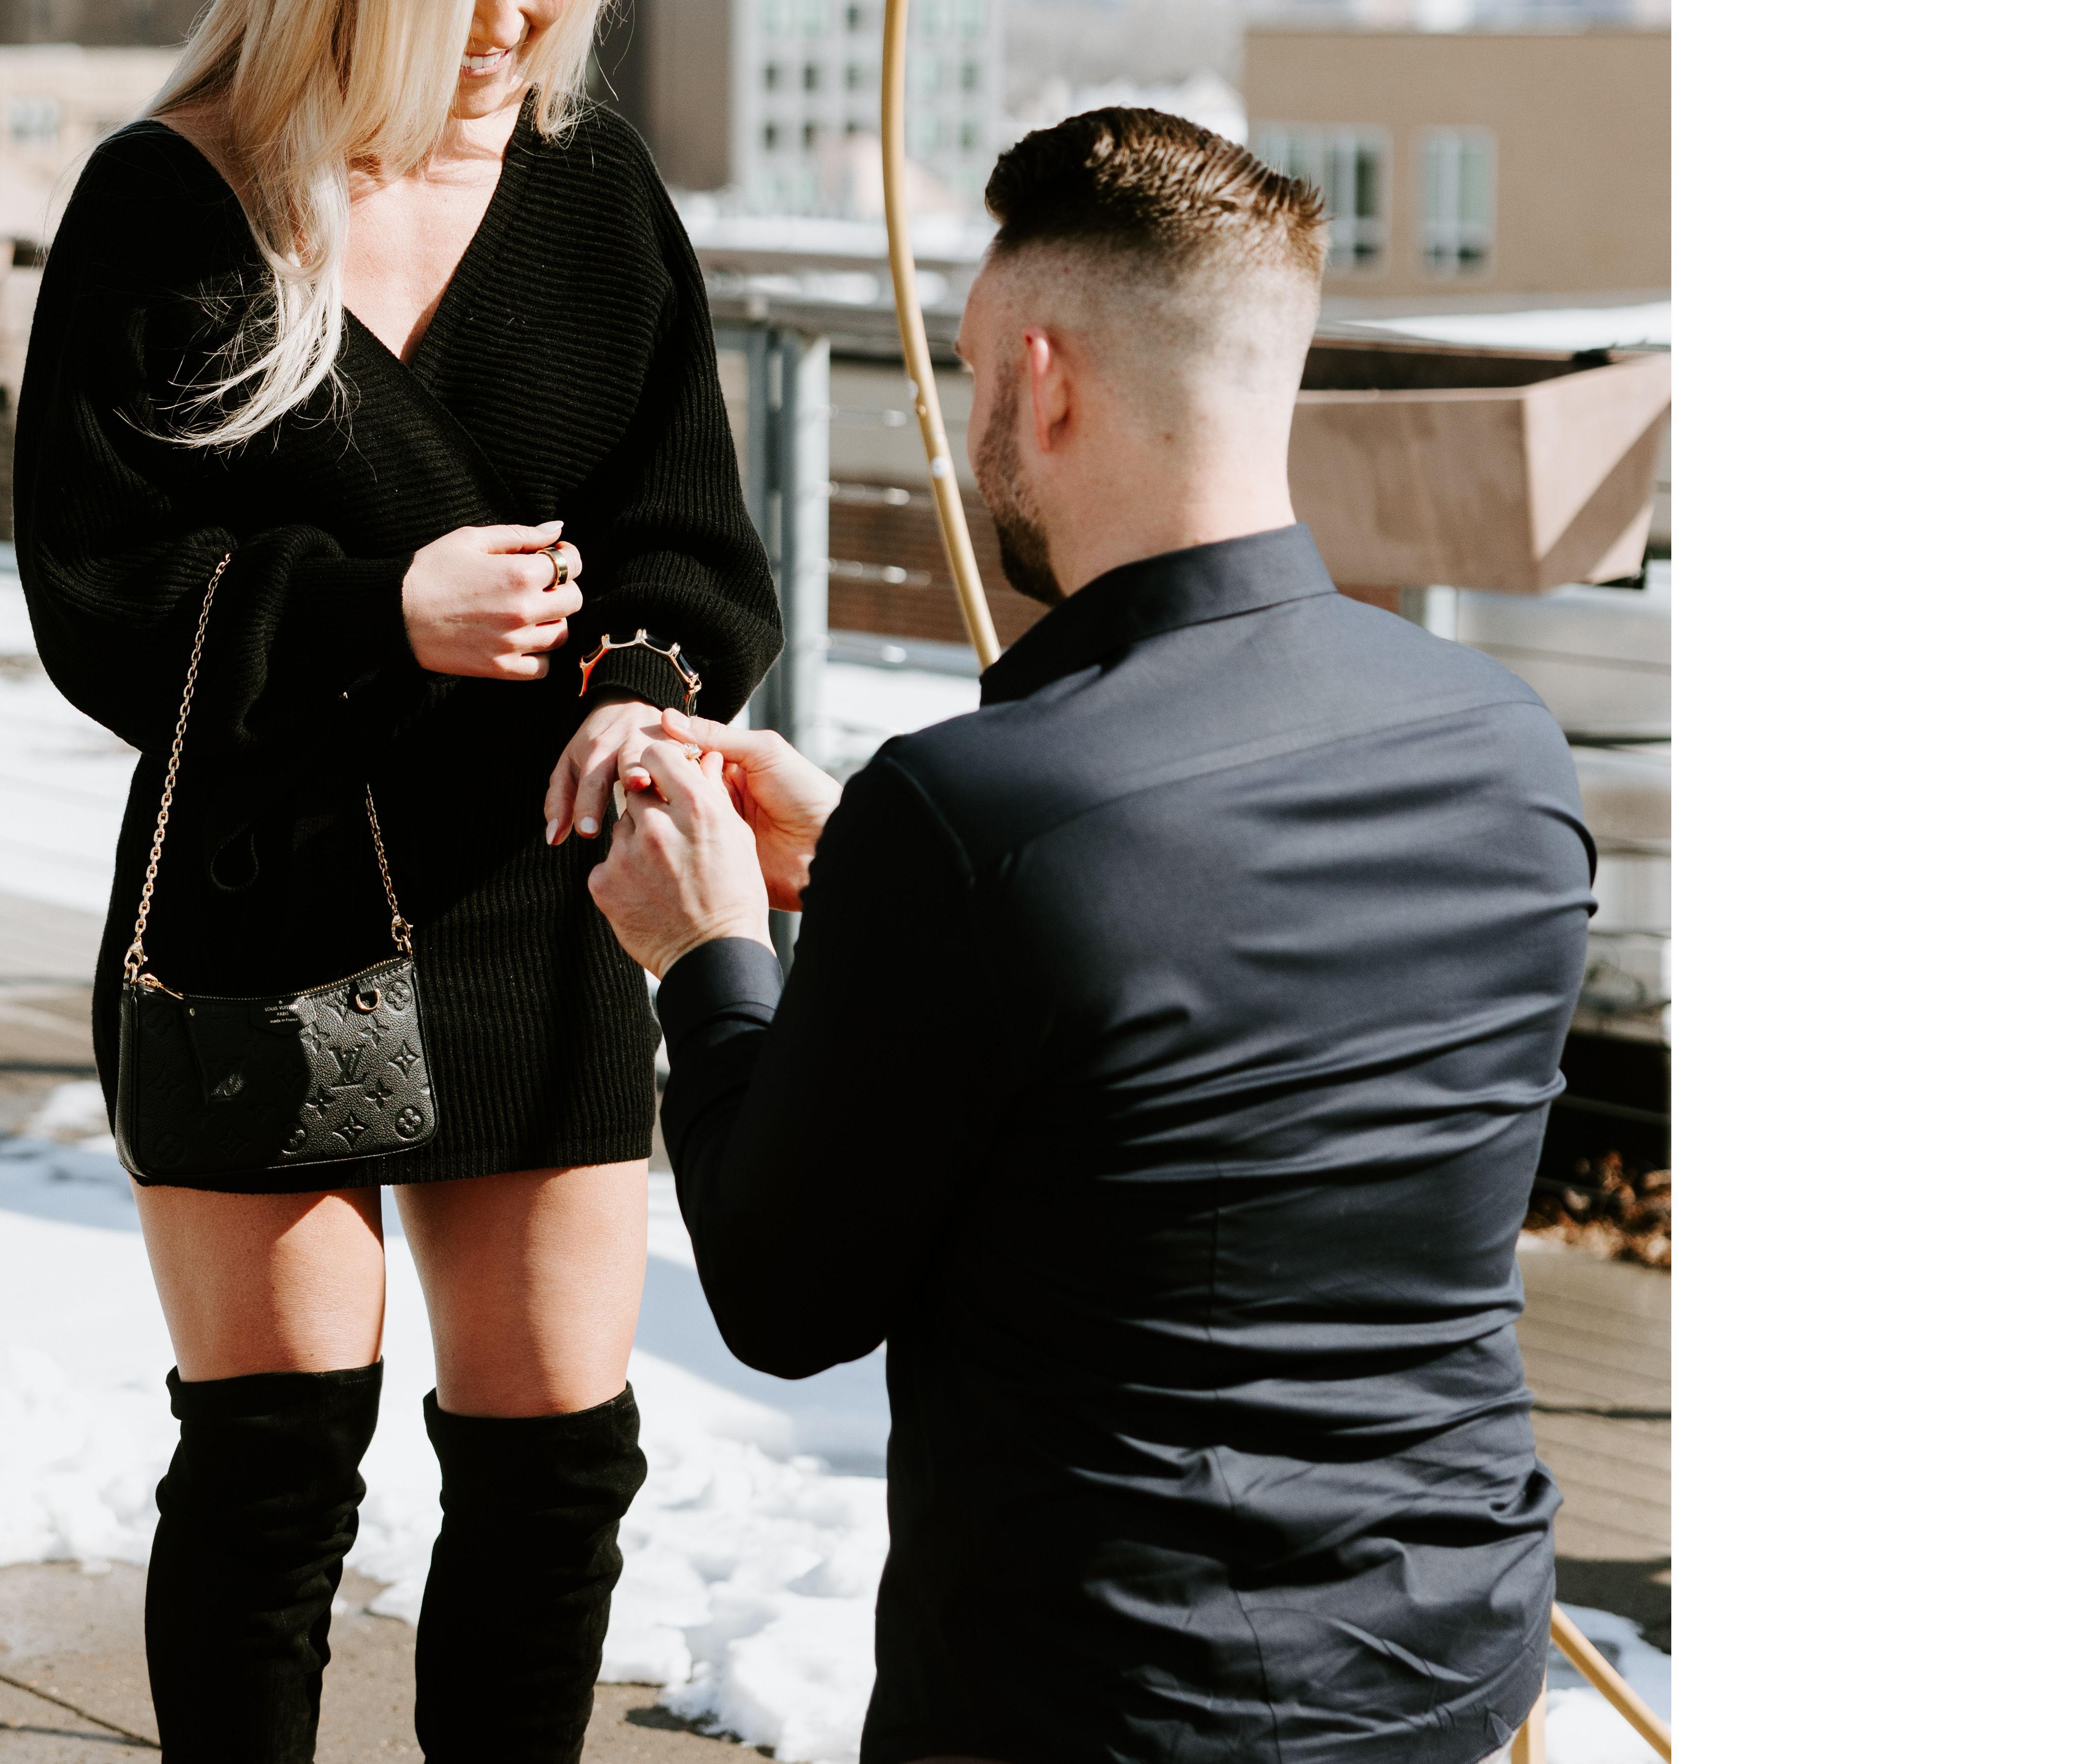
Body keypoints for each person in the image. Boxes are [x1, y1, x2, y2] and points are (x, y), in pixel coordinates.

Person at [588, 107, 1593, 1764]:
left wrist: (709, 948)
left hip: (1106, 1699)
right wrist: (877, 888)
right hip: (1449, 1671)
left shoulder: (977, 814)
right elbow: (1216, 1044)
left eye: (975, 367)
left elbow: (779, 1290)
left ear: (1042, 380)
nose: (973, 407)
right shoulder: (1505, 745)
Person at [12, 0, 782, 1764]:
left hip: (535, 905)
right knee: (273, 1476)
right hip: (266, 913)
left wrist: (639, 700)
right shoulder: (171, 205)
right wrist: (381, 612)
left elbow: (693, 548)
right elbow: (97, 594)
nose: (521, 21)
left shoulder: (595, 192)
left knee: (554, 1477)